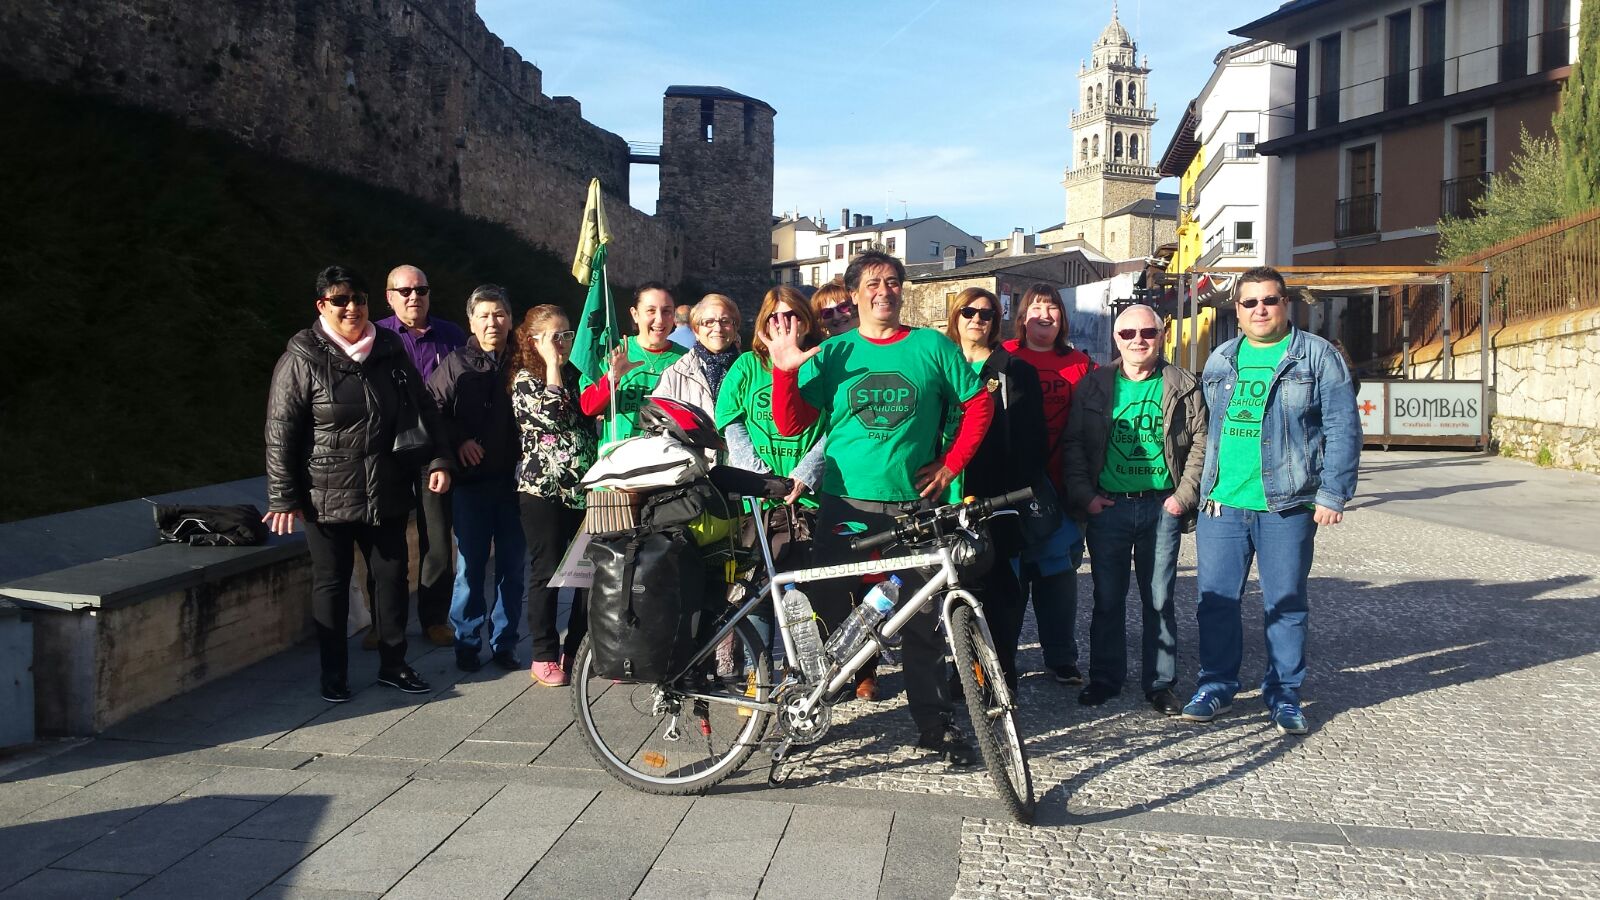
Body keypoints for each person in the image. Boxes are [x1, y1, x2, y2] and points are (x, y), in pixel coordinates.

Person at [766, 250, 993, 766]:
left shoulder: (932, 346)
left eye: (893, 281)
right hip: (844, 503)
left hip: (913, 505)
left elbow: (978, 404)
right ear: (854, 292)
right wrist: (784, 373)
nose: (884, 290)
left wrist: (949, 465)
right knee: (827, 615)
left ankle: (935, 726)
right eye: (872, 282)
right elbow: (790, 424)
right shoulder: (834, 352)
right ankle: (814, 710)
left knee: (921, 620)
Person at [1183, 266, 1359, 736]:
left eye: (1269, 300)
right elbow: (1209, 433)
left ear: (1286, 304)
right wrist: (1200, 490)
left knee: (1285, 602)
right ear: (1236, 311)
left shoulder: (1317, 357)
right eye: (1249, 303)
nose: (1260, 309)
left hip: (1287, 504)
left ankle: (1283, 692)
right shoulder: (1220, 359)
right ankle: (1216, 684)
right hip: (1223, 503)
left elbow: (1344, 427)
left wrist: (1333, 492)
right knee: (1215, 602)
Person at [264, 265, 450, 702]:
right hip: (324, 493)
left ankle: (394, 664)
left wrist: (439, 457)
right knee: (331, 582)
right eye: (340, 300)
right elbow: (281, 430)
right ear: (321, 306)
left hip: (385, 487)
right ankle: (334, 674)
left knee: (390, 577)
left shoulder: (388, 349)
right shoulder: (302, 357)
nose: (352, 308)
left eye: (359, 300)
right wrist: (282, 495)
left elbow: (424, 408)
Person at [1063, 305, 1206, 716]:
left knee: (1158, 599)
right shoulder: (1094, 385)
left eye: (1147, 332)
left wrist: (1183, 496)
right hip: (1108, 507)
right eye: (1128, 333)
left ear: (1161, 335)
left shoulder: (1182, 384)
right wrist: (1085, 496)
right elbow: (1072, 445)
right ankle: (1105, 678)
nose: (1138, 340)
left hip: (1161, 507)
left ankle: (1160, 684)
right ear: (1116, 338)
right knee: (1108, 599)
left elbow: (1201, 443)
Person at [715, 286, 829, 686]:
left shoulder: (822, 361)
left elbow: (833, 426)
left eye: (792, 317)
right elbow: (731, 423)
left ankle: (804, 676)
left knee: (808, 594)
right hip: (760, 499)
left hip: (809, 499)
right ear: (763, 323)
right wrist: (759, 477)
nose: (783, 326)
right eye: (775, 318)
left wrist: (805, 473)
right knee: (759, 591)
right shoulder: (746, 366)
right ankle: (757, 674)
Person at [943, 288, 1048, 691]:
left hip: (994, 496)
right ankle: (961, 674)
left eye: (987, 314)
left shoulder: (1012, 369)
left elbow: (1031, 437)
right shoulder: (941, 363)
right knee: (951, 586)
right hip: (945, 492)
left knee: (999, 591)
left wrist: (1015, 493)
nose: (977, 320)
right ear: (956, 316)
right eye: (968, 312)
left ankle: (1000, 673)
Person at [428, 285, 526, 673]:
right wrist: (458, 442)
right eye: (483, 315)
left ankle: (505, 641)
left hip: (515, 484)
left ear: (510, 319)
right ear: (470, 321)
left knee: (511, 567)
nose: (492, 322)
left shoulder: (523, 363)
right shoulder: (455, 364)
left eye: (499, 314)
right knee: (469, 567)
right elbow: (430, 412)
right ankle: (466, 641)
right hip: (470, 483)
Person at [1002, 283, 1096, 686]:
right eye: (1036, 307)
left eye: (1052, 307)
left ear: (1062, 317)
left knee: (1058, 579)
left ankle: (1061, 657)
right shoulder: (1003, 356)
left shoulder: (1081, 364)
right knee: (1010, 578)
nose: (1045, 314)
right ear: (1022, 318)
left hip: (1062, 486)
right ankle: (1001, 658)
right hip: (1011, 485)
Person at [373, 264, 466, 648]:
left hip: (434, 452)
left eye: (422, 290)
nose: (415, 297)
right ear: (390, 296)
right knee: (384, 539)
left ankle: (433, 618)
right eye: (406, 291)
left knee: (438, 542)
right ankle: (383, 625)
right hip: (387, 451)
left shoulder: (451, 337)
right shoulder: (374, 337)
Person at [509, 305, 598, 686]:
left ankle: (577, 648)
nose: (562, 343)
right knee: (546, 571)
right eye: (553, 337)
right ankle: (543, 653)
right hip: (542, 489)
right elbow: (551, 415)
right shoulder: (525, 379)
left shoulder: (576, 375)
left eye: (566, 335)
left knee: (584, 573)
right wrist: (551, 366)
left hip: (582, 487)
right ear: (533, 341)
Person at [579, 283, 687, 444]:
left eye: (666, 311)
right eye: (651, 311)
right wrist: (613, 377)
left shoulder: (686, 359)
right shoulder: (613, 352)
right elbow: (588, 407)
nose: (659, 319)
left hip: (666, 461)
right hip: (618, 460)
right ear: (635, 314)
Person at [652, 293, 743, 421]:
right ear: (696, 330)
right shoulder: (674, 375)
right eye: (709, 322)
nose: (717, 328)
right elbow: (659, 426)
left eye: (725, 321)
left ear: (735, 328)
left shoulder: (751, 372)